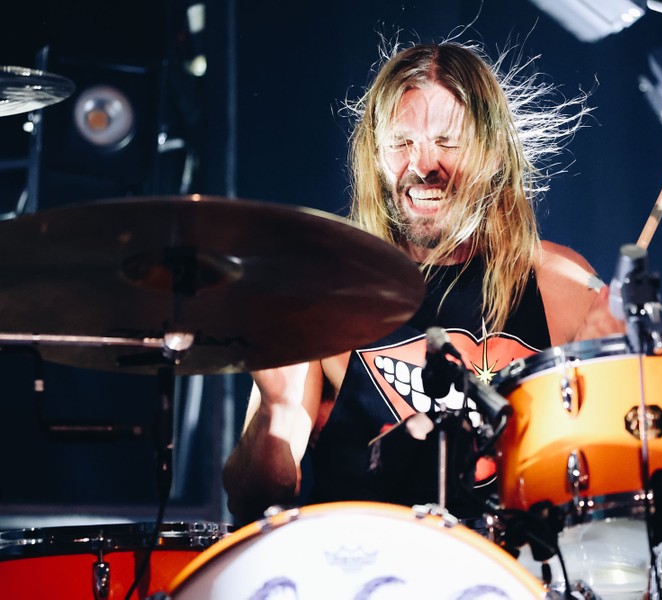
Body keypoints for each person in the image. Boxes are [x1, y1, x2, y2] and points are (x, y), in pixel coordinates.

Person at [222, 40, 623, 526]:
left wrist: (609, 391)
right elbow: (250, 500)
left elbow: (610, 491)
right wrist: (276, 409)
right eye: (401, 142)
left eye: (448, 143)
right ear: (374, 152)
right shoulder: (322, 290)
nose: (423, 166)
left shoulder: (561, 286)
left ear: (494, 152)